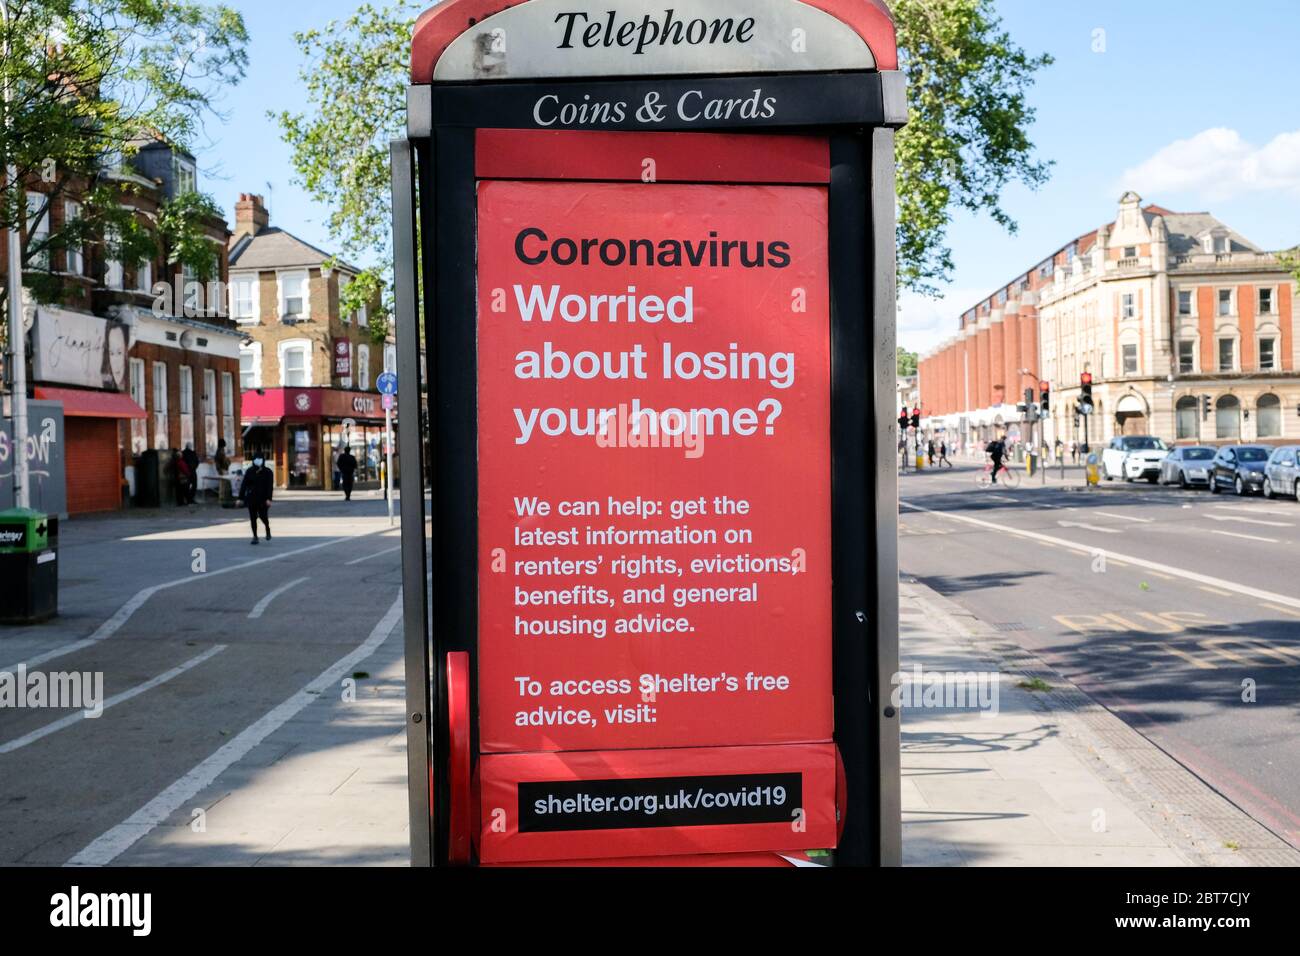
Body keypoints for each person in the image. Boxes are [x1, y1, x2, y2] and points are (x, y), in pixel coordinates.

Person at [239, 457, 273, 545]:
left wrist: (269, 499)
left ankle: (267, 528)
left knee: (263, 516)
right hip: (251, 498)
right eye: (256, 459)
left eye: (260, 459)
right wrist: (240, 498)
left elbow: (270, 487)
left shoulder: (268, 472)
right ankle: (255, 536)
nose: (258, 461)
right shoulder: (249, 471)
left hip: (263, 499)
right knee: (253, 518)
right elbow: (244, 485)